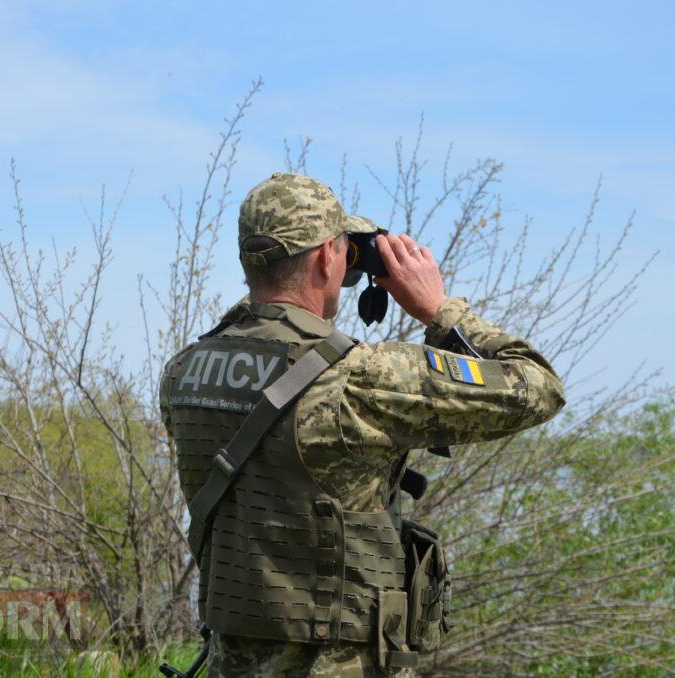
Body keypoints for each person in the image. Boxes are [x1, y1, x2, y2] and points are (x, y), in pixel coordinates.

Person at [159, 172, 566, 677]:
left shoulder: (182, 373)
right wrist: (440, 310)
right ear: (329, 258)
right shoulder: (359, 379)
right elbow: (538, 386)